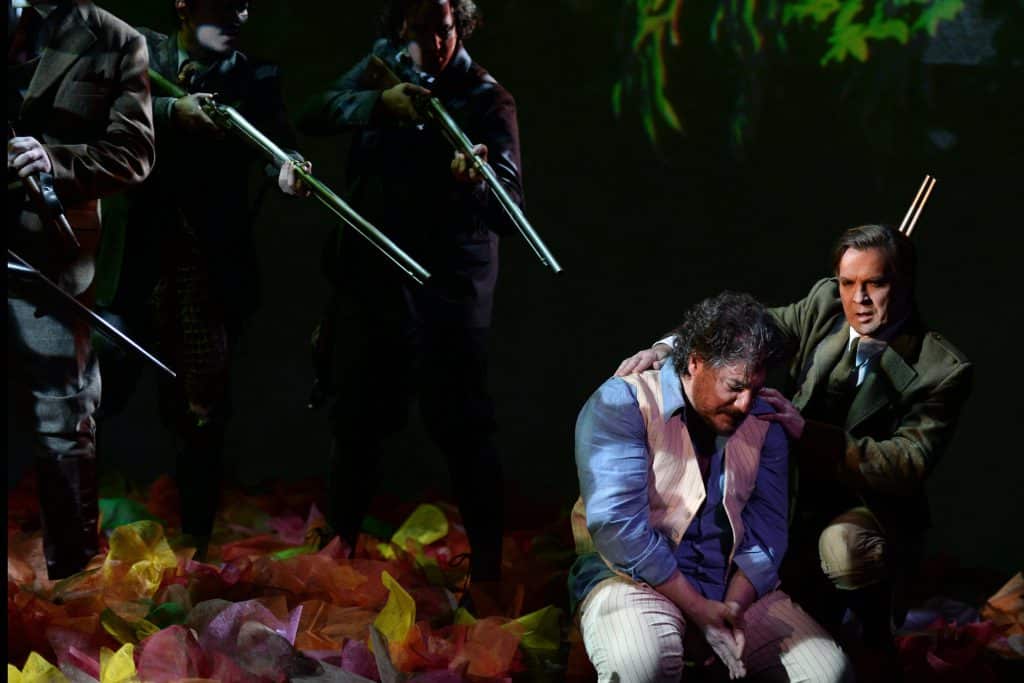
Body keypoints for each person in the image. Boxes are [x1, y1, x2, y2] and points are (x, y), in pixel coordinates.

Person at [616, 224, 973, 657]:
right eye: (848, 283)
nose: (858, 299)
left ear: (904, 283)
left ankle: (872, 633)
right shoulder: (825, 303)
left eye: (875, 284)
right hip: (794, 490)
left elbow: (907, 463)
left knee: (842, 549)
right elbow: (746, 329)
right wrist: (670, 348)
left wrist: (807, 432)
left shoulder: (941, 368)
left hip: (867, 504)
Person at [297, 0, 522, 594]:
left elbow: (510, 212)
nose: (434, 43)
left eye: (444, 30)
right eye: (421, 30)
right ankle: (339, 546)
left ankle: (488, 570)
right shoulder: (385, 65)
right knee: (357, 418)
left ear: (460, 24)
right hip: (374, 279)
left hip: (449, 290)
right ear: (400, 27)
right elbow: (314, 111)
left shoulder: (487, 99)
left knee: (464, 426)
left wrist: (477, 182)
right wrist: (379, 104)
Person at [96, 0, 309, 557]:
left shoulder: (256, 78)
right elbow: (101, 106)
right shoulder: (139, 50)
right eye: (223, 3)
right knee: (97, 390)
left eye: (245, 3)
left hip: (208, 272)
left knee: (200, 411)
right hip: (136, 264)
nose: (240, 14)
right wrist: (172, 111)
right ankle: (74, 527)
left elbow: (279, 145)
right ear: (185, 5)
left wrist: (288, 168)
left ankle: (196, 543)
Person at [572, 291, 852, 681]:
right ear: (694, 362)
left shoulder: (764, 419)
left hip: (731, 587)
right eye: (734, 387)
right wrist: (697, 608)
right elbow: (618, 526)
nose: (745, 403)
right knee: (642, 664)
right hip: (634, 579)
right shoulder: (624, 402)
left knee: (829, 673)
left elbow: (768, 531)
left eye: (755, 388)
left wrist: (731, 607)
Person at [7, 0, 156, 579]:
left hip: (50, 255)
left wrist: (55, 161)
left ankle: (72, 579)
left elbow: (133, 154)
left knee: (64, 421)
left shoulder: (117, 40)